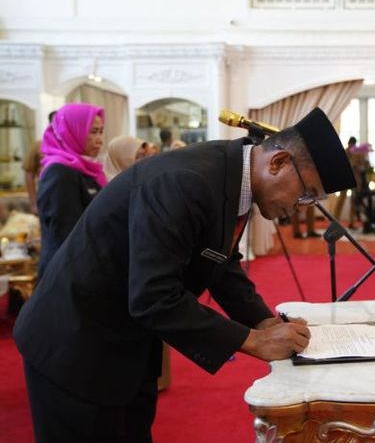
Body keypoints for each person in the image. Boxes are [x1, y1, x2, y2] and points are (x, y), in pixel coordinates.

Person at [13, 108, 355, 442]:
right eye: (306, 193)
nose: (299, 207)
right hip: (75, 347)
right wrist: (253, 340)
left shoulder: (231, 176)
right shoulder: (186, 181)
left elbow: (220, 259)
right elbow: (154, 297)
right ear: (278, 163)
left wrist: (263, 321)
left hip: (124, 347)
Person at [36, 103, 106, 281]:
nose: (99, 139)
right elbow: (66, 234)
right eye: (93, 132)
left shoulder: (85, 169)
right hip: (67, 274)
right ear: (71, 132)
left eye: (101, 131)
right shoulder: (60, 173)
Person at [22, 111, 56, 215]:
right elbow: (29, 174)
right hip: (45, 194)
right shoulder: (38, 146)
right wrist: (33, 202)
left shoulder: (71, 146)